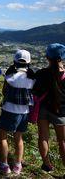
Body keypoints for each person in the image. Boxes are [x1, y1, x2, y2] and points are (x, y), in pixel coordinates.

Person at [0, 50, 34, 175]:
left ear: (15, 61)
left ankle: (4, 164)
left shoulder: (10, 76)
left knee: (2, 135)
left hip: (9, 109)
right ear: (28, 62)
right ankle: (18, 165)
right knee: (19, 137)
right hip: (25, 112)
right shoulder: (32, 77)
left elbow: (4, 91)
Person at [33, 43, 65, 173]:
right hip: (61, 111)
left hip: (43, 110)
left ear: (47, 57)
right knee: (62, 141)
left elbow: (35, 91)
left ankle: (47, 165)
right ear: (62, 58)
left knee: (43, 137)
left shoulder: (41, 73)